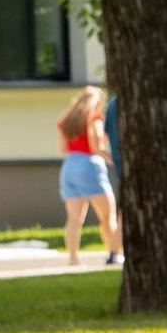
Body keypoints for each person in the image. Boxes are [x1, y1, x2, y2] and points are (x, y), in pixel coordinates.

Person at [56, 85, 120, 265]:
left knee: (74, 219)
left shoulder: (65, 121)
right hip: (90, 166)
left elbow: (62, 149)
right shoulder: (94, 118)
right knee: (108, 216)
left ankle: (73, 259)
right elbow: (96, 148)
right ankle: (114, 254)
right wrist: (114, 160)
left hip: (69, 167)